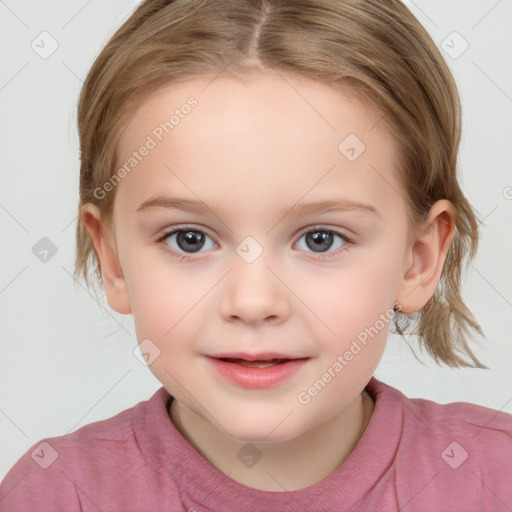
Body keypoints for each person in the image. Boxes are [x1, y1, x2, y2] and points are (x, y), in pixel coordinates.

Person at [1, 0, 511, 510]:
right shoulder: (54, 495)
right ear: (113, 259)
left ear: (417, 261)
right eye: (190, 239)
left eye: (320, 239)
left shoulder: (495, 477)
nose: (252, 301)